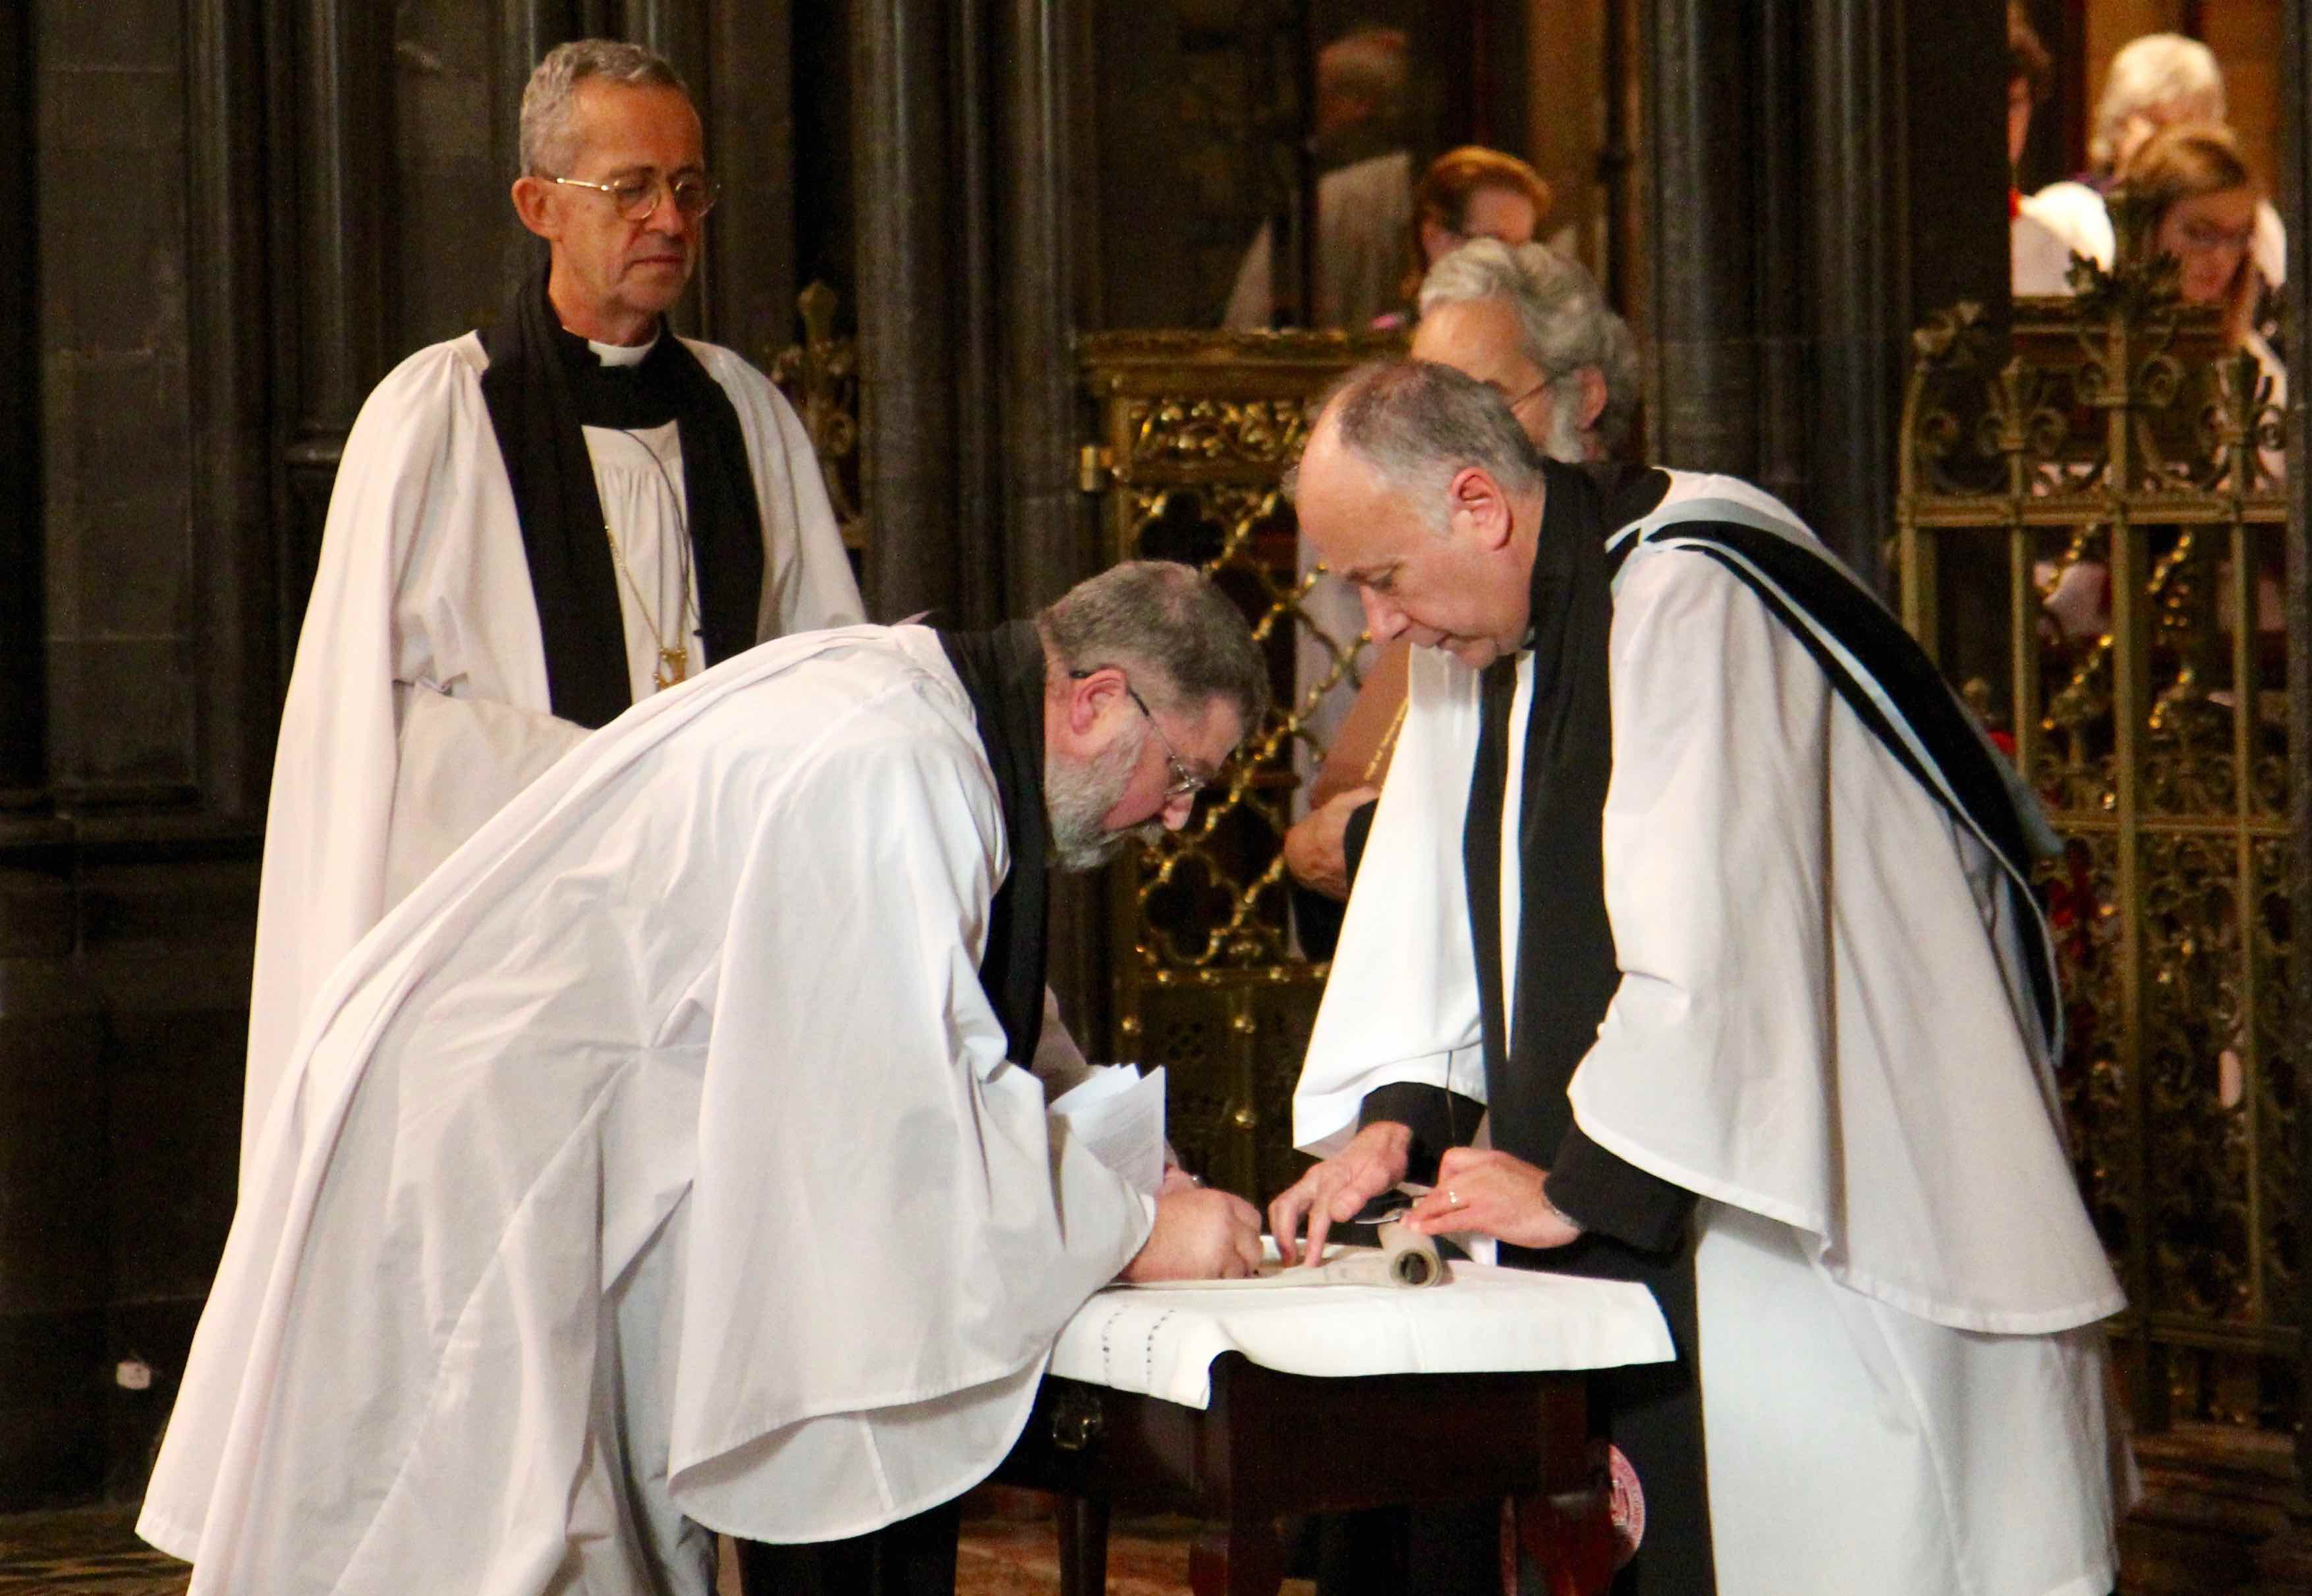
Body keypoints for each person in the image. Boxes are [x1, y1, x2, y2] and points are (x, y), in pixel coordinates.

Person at [138, 561, 1271, 1596]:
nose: (1174, 816)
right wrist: (1127, 1222)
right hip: (489, 1168)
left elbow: (928, 996)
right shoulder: (897, 756)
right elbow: (889, 1121)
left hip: (544, 1143)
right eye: (1181, 774)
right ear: (1092, 700)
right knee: (449, 1540)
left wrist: (1082, 1120)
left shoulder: (923, 722)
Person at [1270, 360, 2131, 1595]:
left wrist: (1582, 1187)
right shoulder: (1486, 629)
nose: (1377, 628)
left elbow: (1725, 938)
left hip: (1806, 1220)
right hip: (1649, 1186)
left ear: (1477, 503)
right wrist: (1393, 1120)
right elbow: (1441, 922)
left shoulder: (1690, 590)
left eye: (1380, 577)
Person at [239, 38, 866, 1183]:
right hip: (515, 971)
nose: (667, 219)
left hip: (720, 961)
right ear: (538, 204)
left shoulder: (746, 417)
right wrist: (616, 778)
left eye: (687, 188)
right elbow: (374, 735)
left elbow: (826, 680)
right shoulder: (436, 418)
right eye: (629, 188)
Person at [1285, 239, 1642, 939]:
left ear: (1585, 396)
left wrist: (1361, 845)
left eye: (1480, 402)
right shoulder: (1436, 593)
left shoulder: (1649, 591)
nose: (1435, 442)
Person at [2021, 32, 2286, 293]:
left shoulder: (2252, 219)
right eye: (2157, 123)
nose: (2173, 143)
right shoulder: (2066, 214)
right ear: (2118, 125)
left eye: (2191, 126)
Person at [1222, 26, 1415, 331]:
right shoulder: (1422, 188)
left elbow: (1249, 333)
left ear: (1359, 104)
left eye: (1322, 96)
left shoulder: (1324, 205)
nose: (1310, 115)